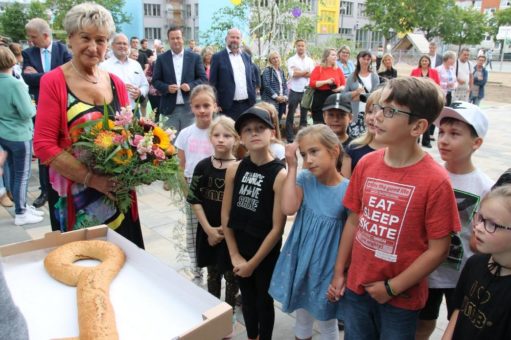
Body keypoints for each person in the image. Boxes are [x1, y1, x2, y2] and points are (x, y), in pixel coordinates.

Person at [328, 77, 461, 340]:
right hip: (357, 288)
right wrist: (339, 271)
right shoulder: (366, 164)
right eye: (377, 107)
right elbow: (354, 221)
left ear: (418, 126)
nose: (376, 116)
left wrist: (392, 287)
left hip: (401, 299)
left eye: (389, 111)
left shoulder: (436, 181)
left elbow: (439, 249)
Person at [33, 3, 145, 248]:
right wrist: (93, 180)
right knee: (84, 267)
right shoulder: (54, 81)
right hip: (76, 199)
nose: (93, 47)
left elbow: (127, 133)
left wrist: (143, 149)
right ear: (70, 38)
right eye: (85, 38)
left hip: (118, 194)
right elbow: (43, 145)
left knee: (124, 261)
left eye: (101, 40)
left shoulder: (115, 82)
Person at [415, 102, 493, 340]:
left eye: (455, 134)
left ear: (476, 143)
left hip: (463, 275)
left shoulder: (485, 186)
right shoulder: (430, 175)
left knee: (460, 326)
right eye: (441, 133)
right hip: (426, 271)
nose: (443, 140)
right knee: (422, 324)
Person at [269, 125, 348, 340]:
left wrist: (342, 273)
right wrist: (292, 166)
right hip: (302, 260)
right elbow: (288, 208)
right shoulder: (304, 179)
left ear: (334, 150)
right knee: (302, 317)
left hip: (328, 266)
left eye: (314, 152)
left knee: (327, 320)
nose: (308, 159)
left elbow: (351, 236)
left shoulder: (348, 190)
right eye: (304, 154)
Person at [222, 107, 287, 340]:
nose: (254, 133)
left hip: (264, 251)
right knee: (247, 299)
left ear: (271, 132)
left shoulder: (279, 174)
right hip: (240, 246)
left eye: (260, 128)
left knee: (263, 299)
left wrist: (253, 263)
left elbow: (278, 228)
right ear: (241, 137)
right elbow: (226, 216)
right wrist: (235, 255)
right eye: (248, 130)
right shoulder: (235, 168)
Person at [442, 185, 511, 340]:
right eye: (480, 218)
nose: (478, 228)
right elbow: (460, 308)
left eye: (492, 224)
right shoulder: (475, 263)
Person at [187, 115, 240, 315]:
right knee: (213, 273)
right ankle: (213, 312)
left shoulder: (240, 168)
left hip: (232, 235)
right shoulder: (202, 166)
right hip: (208, 231)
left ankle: (229, 313)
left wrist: (227, 232)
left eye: (227, 135)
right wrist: (209, 229)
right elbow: (194, 199)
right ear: (210, 138)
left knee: (231, 275)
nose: (221, 139)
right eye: (216, 135)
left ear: (236, 139)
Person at [22, 17, 72, 210]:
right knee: (44, 149)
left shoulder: (62, 50)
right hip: (40, 108)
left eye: (33, 36)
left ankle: (64, 184)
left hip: (63, 108)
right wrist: (54, 75)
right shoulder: (28, 53)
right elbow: (27, 79)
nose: (31, 40)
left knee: (62, 147)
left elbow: (68, 75)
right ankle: (45, 190)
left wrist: (41, 76)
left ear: (45, 35)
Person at [175, 84, 215, 285]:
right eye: (197, 106)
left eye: (206, 105)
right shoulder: (185, 134)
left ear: (214, 106)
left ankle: (215, 270)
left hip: (216, 187)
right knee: (193, 232)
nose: (202, 110)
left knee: (214, 228)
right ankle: (197, 271)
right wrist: (185, 190)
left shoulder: (220, 132)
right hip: (193, 186)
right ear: (191, 107)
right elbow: (180, 166)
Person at [0, 46, 43, 225]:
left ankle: (21, 205)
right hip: (19, 134)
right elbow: (27, 112)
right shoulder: (14, 83)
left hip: (4, 133)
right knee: (22, 175)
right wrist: (33, 106)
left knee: (14, 173)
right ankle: (21, 211)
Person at [152, 26, 207, 133]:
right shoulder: (162, 59)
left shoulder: (194, 58)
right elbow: (155, 81)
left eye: (178, 38)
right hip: (169, 109)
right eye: (172, 38)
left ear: (183, 39)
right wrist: (167, 88)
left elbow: (203, 79)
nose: (176, 41)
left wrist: (190, 86)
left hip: (190, 108)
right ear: (168, 40)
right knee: (169, 145)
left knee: (190, 142)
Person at [210, 28, 257, 120]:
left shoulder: (246, 57)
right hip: (227, 107)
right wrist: (215, 102)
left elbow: (252, 79)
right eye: (232, 37)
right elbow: (212, 83)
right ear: (226, 38)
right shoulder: (217, 57)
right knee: (230, 133)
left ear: (240, 40)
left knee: (245, 132)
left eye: (237, 38)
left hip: (247, 105)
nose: (235, 40)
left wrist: (253, 98)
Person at [340, 89, 385, 179]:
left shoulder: (397, 153)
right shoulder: (353, 148)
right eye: (369, 112)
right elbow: (345, 187)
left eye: (378, 112)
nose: (372, 117)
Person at [100, 33, 149, 112]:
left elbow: (145, 85)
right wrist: (117, 89)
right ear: (112, 46)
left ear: (128, 46)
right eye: (119, 43)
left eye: (125, 44)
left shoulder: (136, 65)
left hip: (134, 110)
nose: (122, 46)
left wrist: (140, 92)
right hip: (113, 112)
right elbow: (98, 89)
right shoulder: (103, 66)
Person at [343, 50, 380, 139]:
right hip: (355, 113)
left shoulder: (374, 76)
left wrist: (360, 97)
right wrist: (355, 92)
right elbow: (343, 96)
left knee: (369, 138)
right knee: (354, 140)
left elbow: (376, 95)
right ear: (359, 59)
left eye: (368, 59)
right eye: (364, 59)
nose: (366, 61)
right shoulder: (352, 77)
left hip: (369, 113)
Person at [285, 39, 315, 143]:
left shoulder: (310, 60)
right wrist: (304, 72)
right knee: (291, 114)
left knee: (304, 115)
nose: (300, 47)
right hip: (294, 90)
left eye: (302, 45)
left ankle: (303, 137)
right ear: (296, 47)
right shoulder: (291, 60)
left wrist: (299, 71)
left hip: (306, 90)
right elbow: (293, 74)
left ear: (305, 47)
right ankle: (289, 137)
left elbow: (312, 74)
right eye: (298, 45)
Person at [309, 48, 346, 125]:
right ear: (326, 57)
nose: (335, 57)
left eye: (336, 55)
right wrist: (326, 81)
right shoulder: (318, 68)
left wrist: (339, 88)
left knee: (332, 123)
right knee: (319, 124)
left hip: (334, 97)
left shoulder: (338, 69)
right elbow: (312, 83)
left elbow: (344, 85)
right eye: (332, 55)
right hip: (320, 98)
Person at [411, 55, 441, 148]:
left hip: (429, 97)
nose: (424, 62)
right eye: (423, 61)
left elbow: (438, 84)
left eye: (426, 61)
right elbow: (410, 84)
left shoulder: (434, 72)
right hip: (417, 98)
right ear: (420, 62)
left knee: (427, 119)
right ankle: (416, 139)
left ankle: (426, 141)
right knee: (416, 118)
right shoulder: (414, 71)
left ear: (429, 62)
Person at [261, 51, 288, 121]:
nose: (276, 60)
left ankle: (277, 132)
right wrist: (276, 97)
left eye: (277, 57)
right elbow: (266, 85)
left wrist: (285, 96)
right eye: (273, 58)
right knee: (271, 121)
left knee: (278, 121)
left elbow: (285, 85)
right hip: (271, 101)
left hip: (282, 100)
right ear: (270, 60)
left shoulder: (281, 71)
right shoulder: (267, 70)